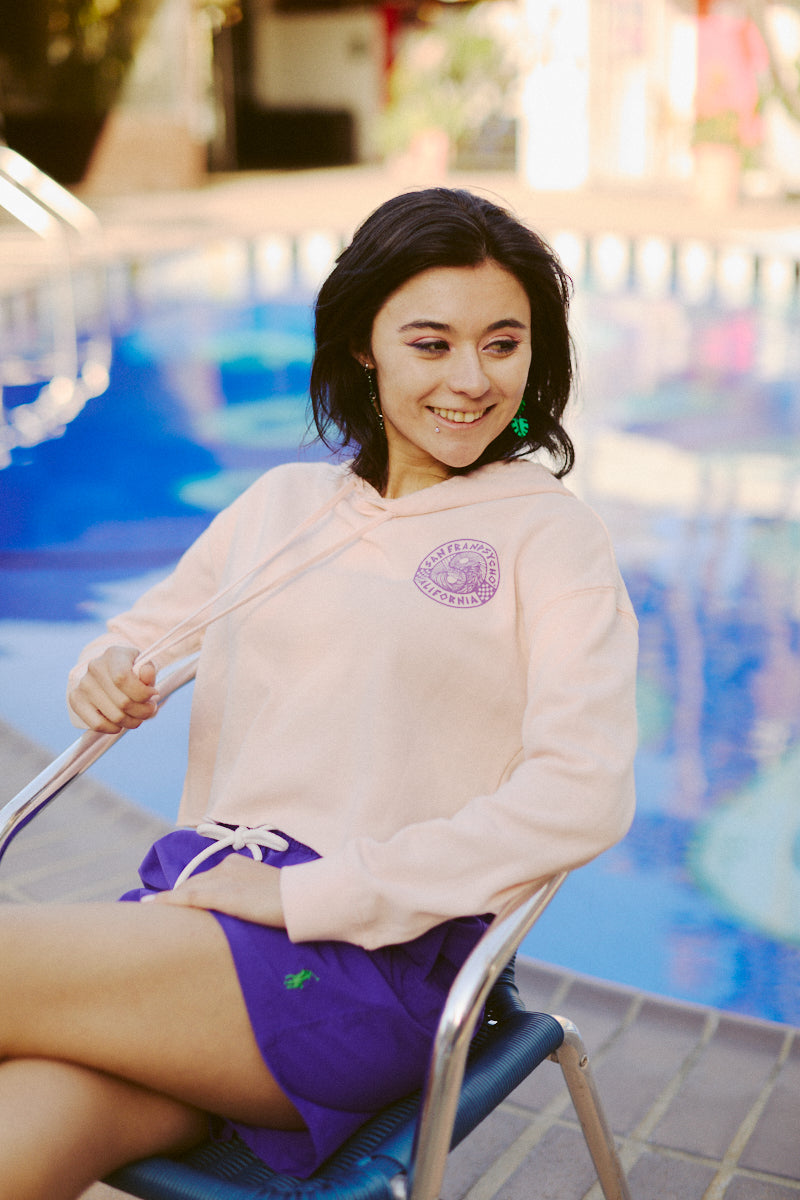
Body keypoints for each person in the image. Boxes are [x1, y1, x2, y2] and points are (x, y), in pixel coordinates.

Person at [0, 187, 638, 1200]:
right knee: (18, 1137)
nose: (470, 380)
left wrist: (306, 895)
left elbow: (581, 791)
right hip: (196, 928)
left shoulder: (549, 537)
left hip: (367, 964)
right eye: (430, 344)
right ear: (362, 346)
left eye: (501, 343)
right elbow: (135, 646)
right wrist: (107, 679)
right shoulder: (283, 507)